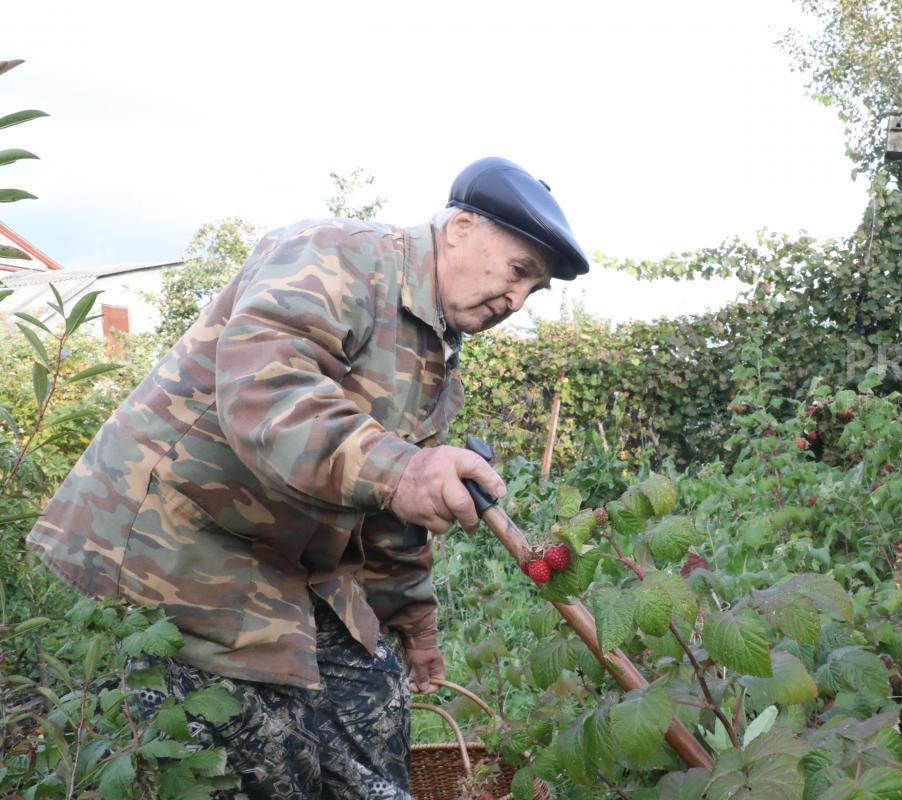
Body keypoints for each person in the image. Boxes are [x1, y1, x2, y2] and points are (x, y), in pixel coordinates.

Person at [26, 157, 589, 799]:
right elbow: (267, 395)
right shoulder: (335, 255)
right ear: (460, 227)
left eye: (534, 290)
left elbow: (389, 510)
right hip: (181, 546)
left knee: (375, 711)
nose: (517, 300)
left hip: (294, 556)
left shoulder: (434, 361)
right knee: (261, 762)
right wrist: (404, 468)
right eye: (519, 271)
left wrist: (414, 627)